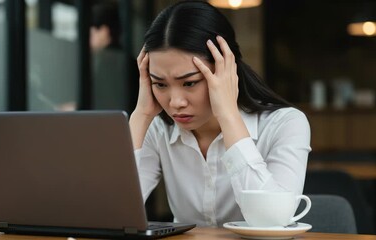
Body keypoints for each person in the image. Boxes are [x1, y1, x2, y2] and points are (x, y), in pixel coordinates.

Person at [129, 1, 311, 227]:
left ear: (226, 69)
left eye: (189, 83)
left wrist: (228, 115)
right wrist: (141, 115)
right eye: (160, 84)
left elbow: (271, 221)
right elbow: (109, 216)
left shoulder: (286, 124)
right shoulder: (158, 129)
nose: (175, 102)